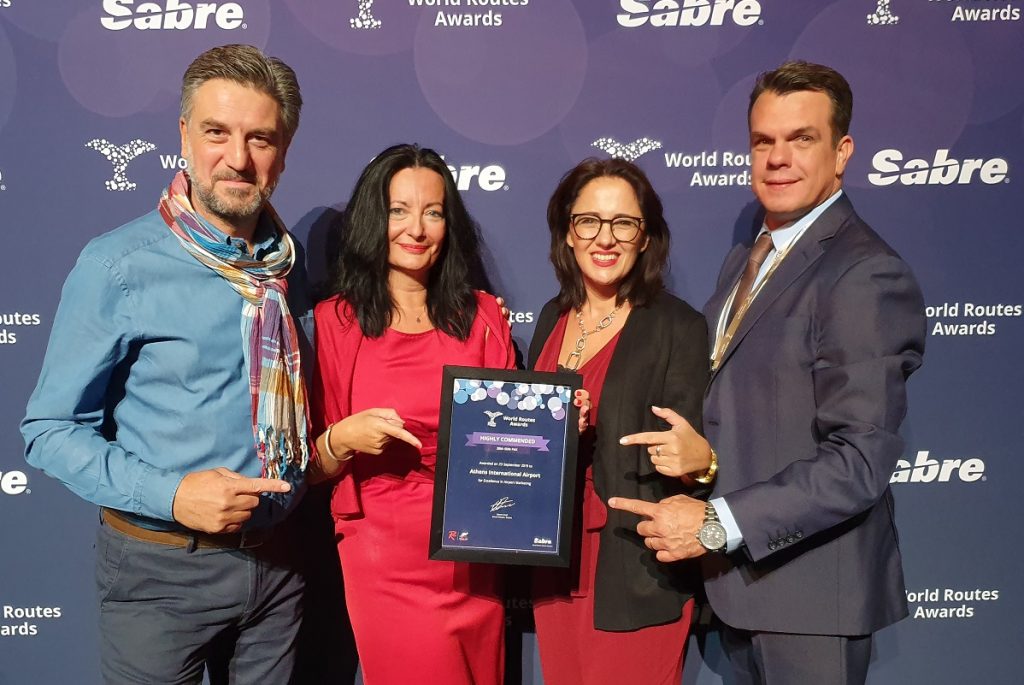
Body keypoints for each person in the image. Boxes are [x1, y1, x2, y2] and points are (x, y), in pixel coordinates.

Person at [611, 61, 926, 684]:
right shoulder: (746, 258)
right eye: (764, 141)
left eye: (801, 139)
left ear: (842, 153)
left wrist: (714, 524)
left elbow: (860, 459)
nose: (778, 158)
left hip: (811, 597)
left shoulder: (864, 273)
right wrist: (702, 466)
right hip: (738, 590)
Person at [21, 44, 310, 683]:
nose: (237, 158)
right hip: (160, 574)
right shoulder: (117, 266)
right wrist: (174, 494)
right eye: (216, 132)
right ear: (183, 135)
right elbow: (48, 431)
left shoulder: (289, 268)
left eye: (260, 137)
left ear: (283, 151)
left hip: (281, 568)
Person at [308, 143, 535, 684]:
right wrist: (341, 439)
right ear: (373, 218)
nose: (417, 228)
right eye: (398, 210)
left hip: (474, 553)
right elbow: (310, 466)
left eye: (433, 212)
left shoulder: (482, 317)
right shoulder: (336, 322)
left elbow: (512, 447)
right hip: (384, 557)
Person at [528, 158, 711, 684]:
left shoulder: (678, 326)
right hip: (554, 563)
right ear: (567, 231)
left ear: (646, 236)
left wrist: (701, 464)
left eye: (623, 223)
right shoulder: (550, 317)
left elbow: (692, 460)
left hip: (634, 566)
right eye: (588, 220)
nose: (604, 238)